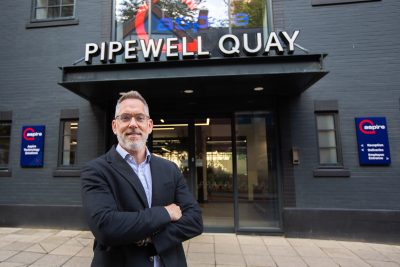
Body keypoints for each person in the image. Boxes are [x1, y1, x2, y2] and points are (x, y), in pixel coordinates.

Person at [81, 90, 203, 267]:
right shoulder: (95, 170)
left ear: (150, 125)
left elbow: (195, 220)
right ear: (115, 126)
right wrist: (166, 212)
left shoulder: (169, 169)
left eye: (139, 117)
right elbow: (106, 227)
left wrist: (152, 239)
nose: (133, 124)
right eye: (125, 118)